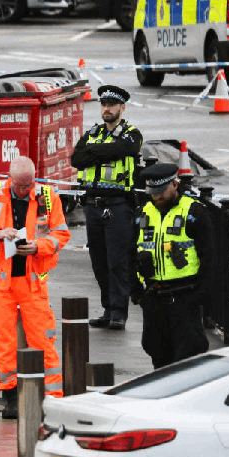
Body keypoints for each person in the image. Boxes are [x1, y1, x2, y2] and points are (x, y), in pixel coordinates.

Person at [0, 156, 70, 419]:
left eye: (28, 185)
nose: (24, 191)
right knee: (3, 341)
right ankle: (10, 396)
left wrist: (38, 246)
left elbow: (61, 234)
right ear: (9, 178)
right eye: (19, 186)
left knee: (43, 340)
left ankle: (54, 398)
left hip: (33, 281)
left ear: (34, 179)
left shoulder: (48, 197)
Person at [71, 84, 143, 331]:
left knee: (118, 261)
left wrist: (95, 152)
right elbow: (76, 159)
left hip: (118, 206)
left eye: (112, 105)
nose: (107, 109)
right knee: (99, 262)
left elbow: (125, 149)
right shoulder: (92, 132)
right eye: (103, 105)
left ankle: (119, 313)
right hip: (92, 205)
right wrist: (103, 152)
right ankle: (107, 309)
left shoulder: (132, 133)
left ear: (122, 107)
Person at [132, 163, 215, 369]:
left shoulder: (194, 212)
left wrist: (198, 296)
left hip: (185, 296)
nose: (156, 197)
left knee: (188, 356)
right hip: (154, 296)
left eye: (161, 192)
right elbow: (128, 254)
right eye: (153, 193)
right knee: (156, 350)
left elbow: (210, 258)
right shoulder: (143, 212)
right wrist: (138, 294)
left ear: (175, 185)